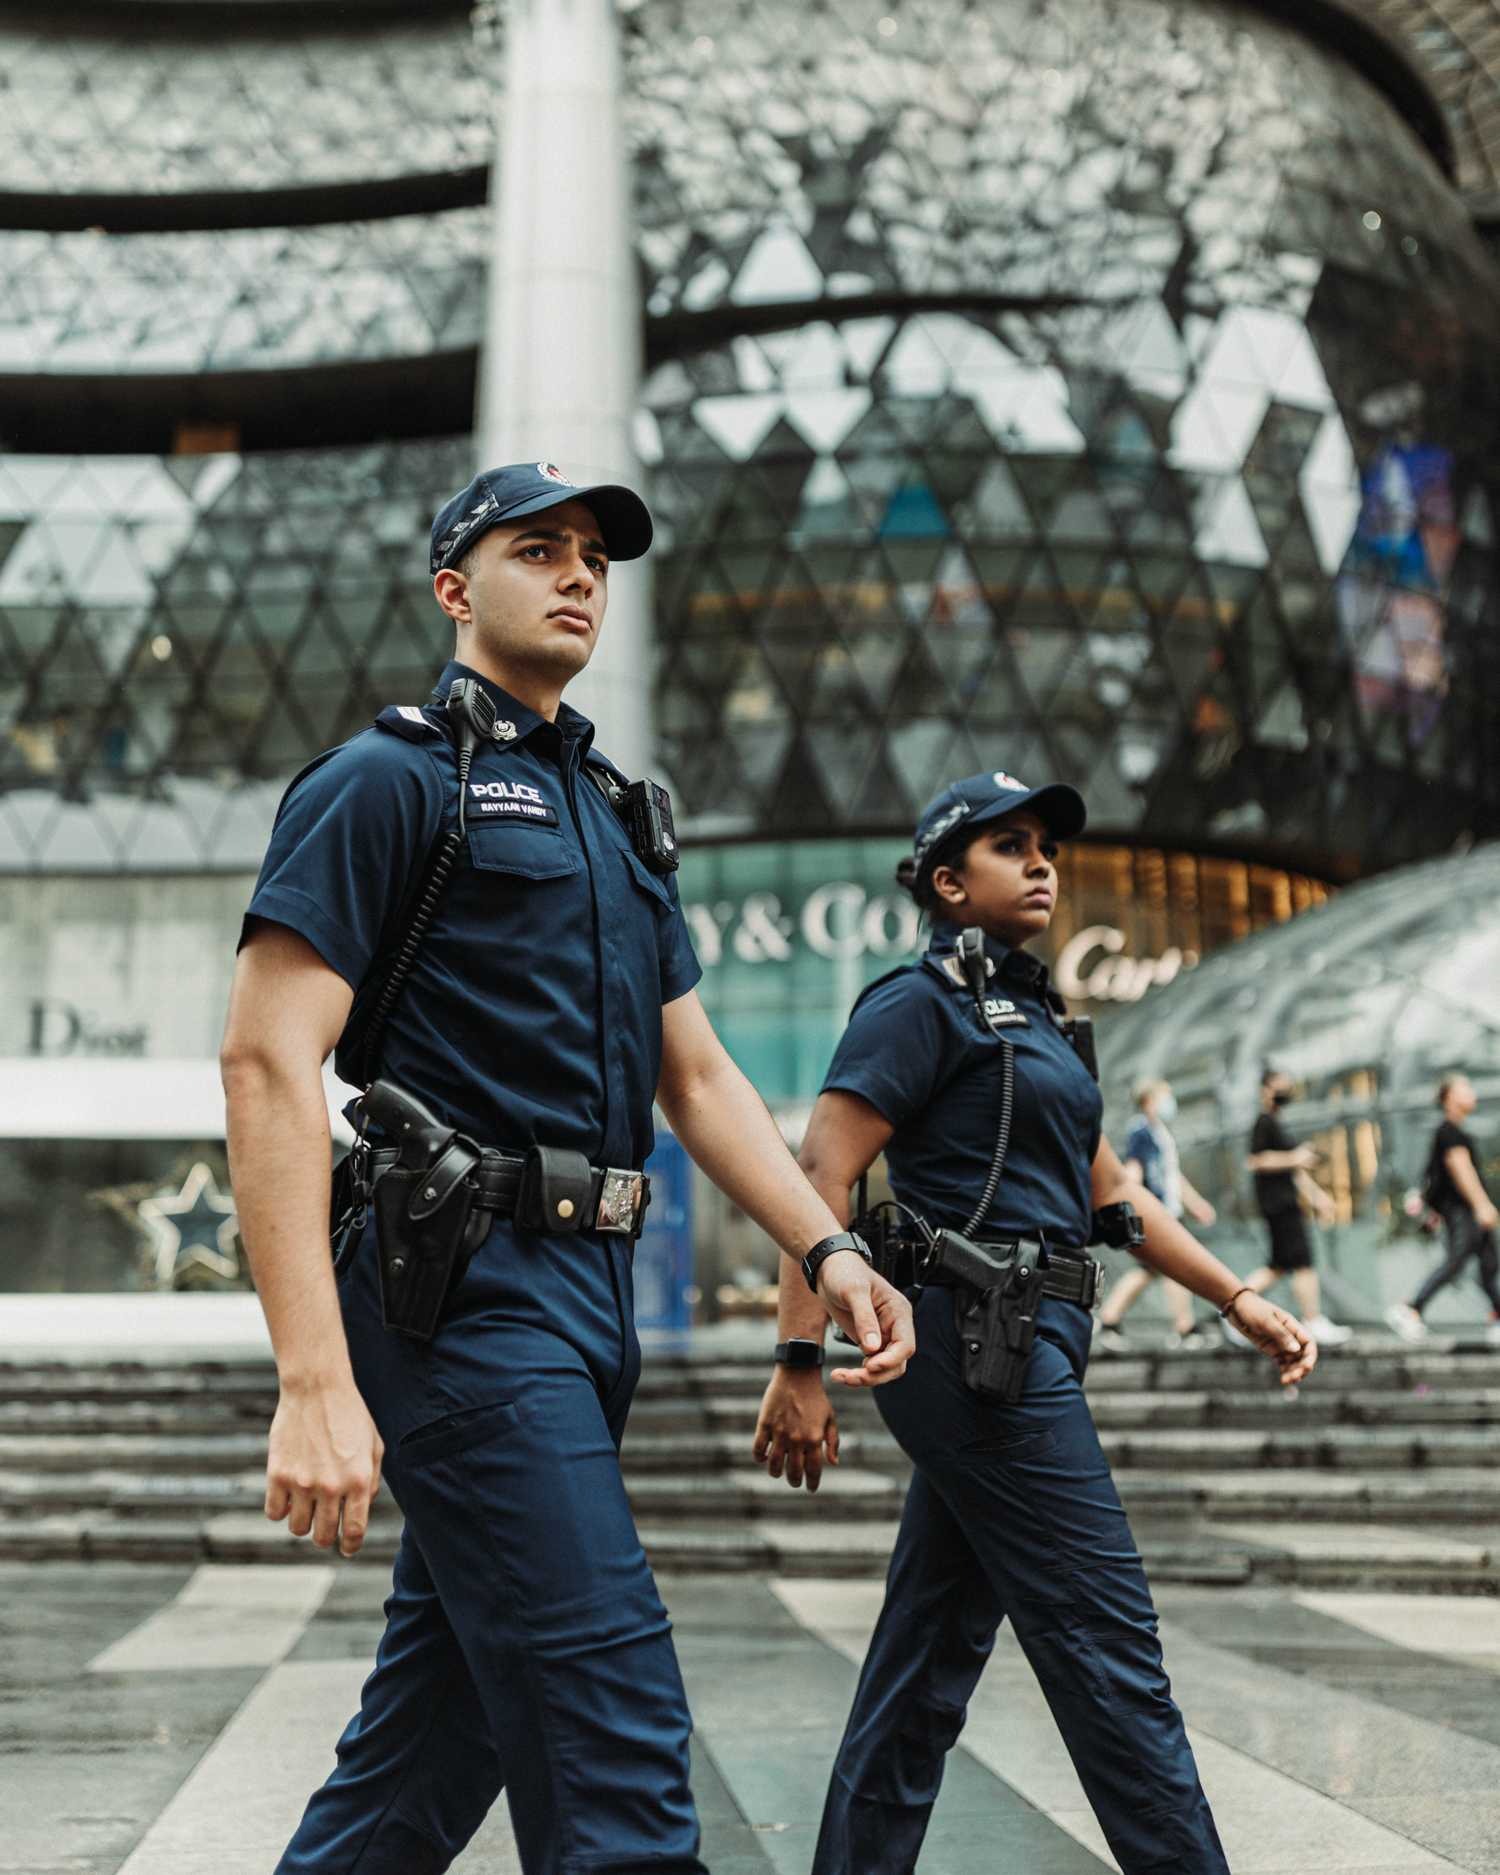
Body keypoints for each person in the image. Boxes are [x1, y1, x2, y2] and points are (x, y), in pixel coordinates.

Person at [220, 460, 916, 1875]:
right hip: (462, 1290)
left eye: (596, 552)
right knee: (613, 1721)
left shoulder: (609, 814)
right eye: (540, 549)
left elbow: (702, 1078)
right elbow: (267, 1063)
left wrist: (831, 1247)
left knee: (438, 1736)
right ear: (456, 588)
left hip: (587, 1301)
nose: (581, 572)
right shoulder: (386, 780)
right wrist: (310, 1374)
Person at [751, 769, 1318, 1875]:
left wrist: (1239, 1297)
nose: (1043, 861)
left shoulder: (1048, 1025)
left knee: (925, 1663)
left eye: (1045, 844)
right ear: (948, 883)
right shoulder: (914, 1006)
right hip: (972, 1344)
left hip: (1034, 1340)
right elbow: (818, 1177)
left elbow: (1118, 1202)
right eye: (1010, 846)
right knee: (1108, 1638)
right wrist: (798, 1358)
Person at [1096, 1077, 1217, 1350]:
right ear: (1149, 1101)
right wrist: (1124, 1197)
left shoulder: (1160, 1132)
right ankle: (1181, 1328)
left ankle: (1111, 1320)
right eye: (1164, 1096)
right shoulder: (1140, 1131)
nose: (1169, 1102)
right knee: (1174, 1267)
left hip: (1168, 1211)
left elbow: (1172, 1176)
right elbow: (1134, 1169)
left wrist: (1195, 1204)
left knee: (1158, 1271)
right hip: (1156, 1212)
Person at [1240, 1068, 1351, 1346]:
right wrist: (1295, 1157)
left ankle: (1233, 1311)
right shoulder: (1263, 1122)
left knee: (1278, 1266)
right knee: (1302, 1262)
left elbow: (1295, 1170)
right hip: (1277, 1205)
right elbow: (1256, 1160)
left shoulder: (1277, 1123)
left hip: (1286, 1202)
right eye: (1281, 1085)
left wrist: (1318, 1198)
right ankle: (1312, 1321)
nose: (1286, 1090)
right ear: (1265, 1088)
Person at [1386, 1074, 1500, 1343]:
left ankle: (1497, 1317)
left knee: (1489, 1265)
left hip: (1465, 1210)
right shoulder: (1449, 1132)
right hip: (1463, 1211)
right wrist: (1482, 1205)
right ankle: (1411, 1309)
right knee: (1456, 1262)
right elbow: (1460, 1169)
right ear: (1449, 1098)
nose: (1472, 1093)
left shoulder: (1454, 1131)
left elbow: (1435, 1177)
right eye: (1465, 1088)